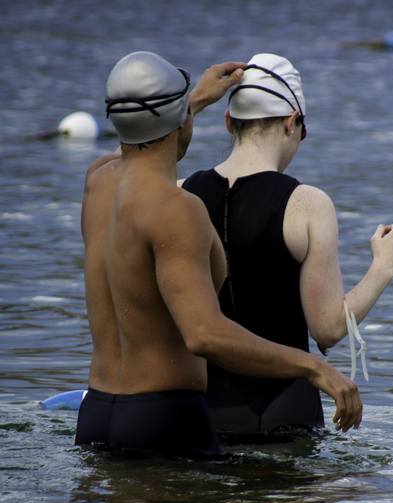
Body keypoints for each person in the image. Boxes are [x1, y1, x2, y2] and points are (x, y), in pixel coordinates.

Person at [75, 51, 362, 459]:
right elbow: (204, 334)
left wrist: (190, 103)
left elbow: (137, 146)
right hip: (163, 415)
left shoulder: (97, 183)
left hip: (96, 412)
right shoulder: (178, 208)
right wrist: (314, 367)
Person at [182, 53, 393, 442]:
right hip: (282, 410)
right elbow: (326, 329)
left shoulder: (181, 194)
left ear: (229, 121)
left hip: (195, 411)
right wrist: (384, 268)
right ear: (292, 122)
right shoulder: (307, 204)